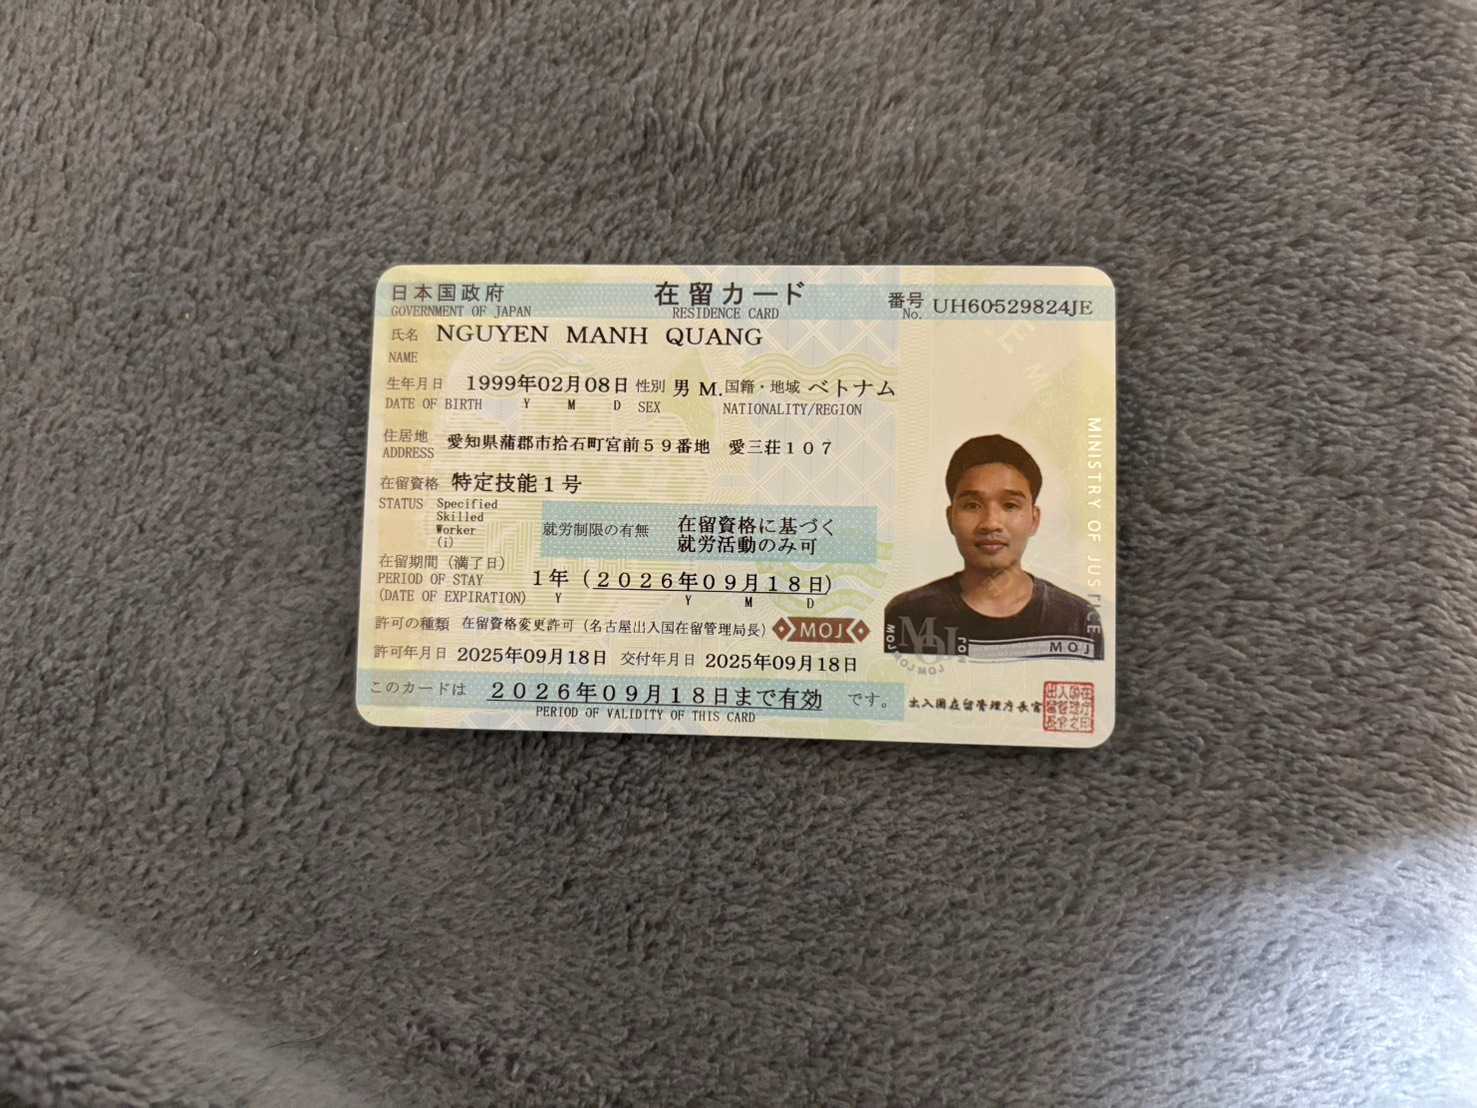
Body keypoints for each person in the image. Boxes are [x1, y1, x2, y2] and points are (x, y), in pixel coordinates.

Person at [884, 435, 1103, 659]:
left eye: (1010, 505)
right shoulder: (908, 614)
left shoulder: (1077, 619)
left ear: (1034, 519)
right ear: (950, 518)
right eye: (972, 505)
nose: (990, 523)